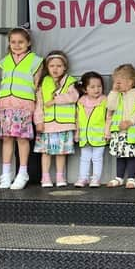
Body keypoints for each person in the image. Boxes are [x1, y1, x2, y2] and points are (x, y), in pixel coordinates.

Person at [0, 27, 44, 190]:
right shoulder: (5, 61)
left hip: (23, 105)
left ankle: (23, 172)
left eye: (21, 42)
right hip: (5, 105)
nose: (17, 45)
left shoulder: (35, 61)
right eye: (13, 42)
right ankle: (6, 173)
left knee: (22, 139)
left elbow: (37, 86)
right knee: (7, 139)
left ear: (28, 43)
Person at [34, 51, 79, 187]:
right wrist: (39, 121)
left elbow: (73, 97)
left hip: (64, 125)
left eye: (59, 66)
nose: (55, 69)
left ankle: (60, 177)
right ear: (47, 67)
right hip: (47, 125)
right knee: (46, 152)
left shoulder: (70, 81)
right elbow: (39, 104)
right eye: (52, 65)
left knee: (61, 153)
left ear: (65, 67)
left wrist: (55, 100)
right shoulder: (43, 83)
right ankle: (45, 177)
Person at [106, 64, 135, 189]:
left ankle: (131, 178)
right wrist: (114, 92)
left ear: (130, 82)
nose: (117, 85)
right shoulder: (118, 95)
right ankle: (119, 177)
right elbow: (110, 106)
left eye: (119, 82)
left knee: (131, 156)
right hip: (118, 132)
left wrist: (130, 122)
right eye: (115, 82)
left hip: (130, 132)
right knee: (120, 155)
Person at [74, 72, 109, 188]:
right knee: (84, 158)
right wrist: (77, 132)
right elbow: (78, 118)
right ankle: (83, 177)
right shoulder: (81, 102)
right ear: (85, 89)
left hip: (99, 136)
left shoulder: (104, 101)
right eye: (92, 87)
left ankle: (95, 178)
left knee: (97, 158)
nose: (96, 89)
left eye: (99, 86)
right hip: (84, 136)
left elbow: (108, 117)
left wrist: (107, 131)